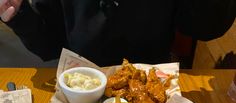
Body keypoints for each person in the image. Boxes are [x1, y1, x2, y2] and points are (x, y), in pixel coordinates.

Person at [0, 0, 235, 67]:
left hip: (152, 93)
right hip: (81, 91)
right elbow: (49, 45)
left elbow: (206, 27)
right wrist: (19, 14)